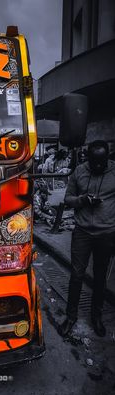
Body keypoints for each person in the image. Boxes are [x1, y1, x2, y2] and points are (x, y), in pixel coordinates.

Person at [59, 140, 115, 337]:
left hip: (107, 233)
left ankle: (96, 318)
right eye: (94, 162)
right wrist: (82, 200)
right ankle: (71, 317)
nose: (98, 166)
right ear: (87, 158)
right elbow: (67, 199)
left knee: (100, 278)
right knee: (76, 276)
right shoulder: (79, 172)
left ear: (107, 157)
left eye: (102, 162)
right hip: (82, 232)